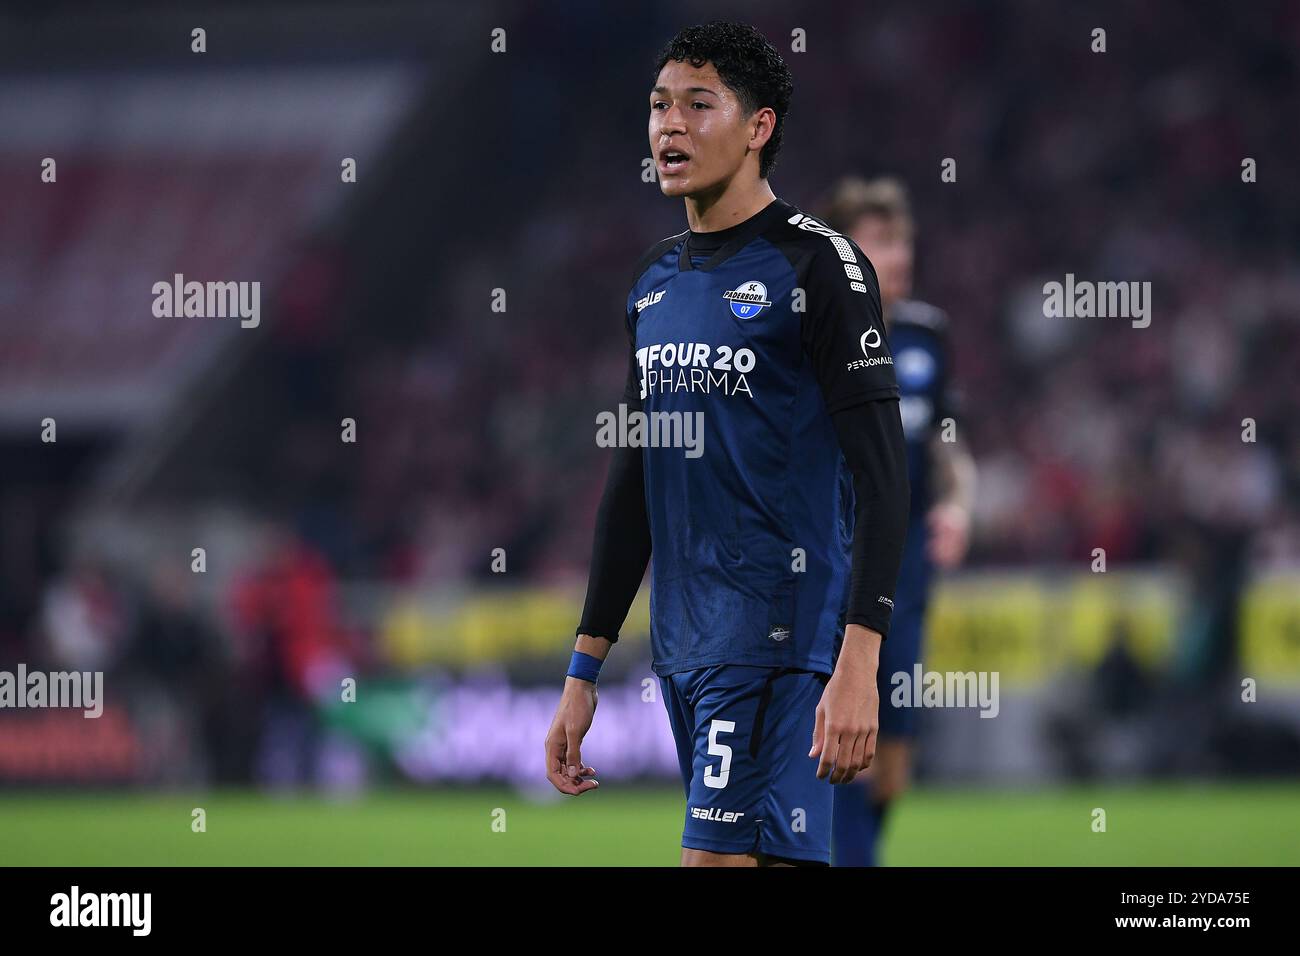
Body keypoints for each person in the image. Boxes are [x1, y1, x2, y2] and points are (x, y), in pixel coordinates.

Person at [544, 21, 910, 866]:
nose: (670, 126)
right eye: (659, 106)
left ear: (759, 127)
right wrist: (582, 670)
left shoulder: (820, 266)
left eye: (698, 105)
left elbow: (884, 477)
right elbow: (633, 482)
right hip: (687, 642)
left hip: (782, 635)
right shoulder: (652, 282)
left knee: (711, 862)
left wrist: (860, 656)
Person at [818, 177, 977, 866]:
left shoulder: (926, 333)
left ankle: (848, 852)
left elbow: (949, 445)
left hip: (908, 568)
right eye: (880, 241)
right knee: (844, 730)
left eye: (902, 238)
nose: (899, 254)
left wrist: (958, 505)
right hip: (831, 561)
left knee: (895, 750)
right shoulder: (811, 330)